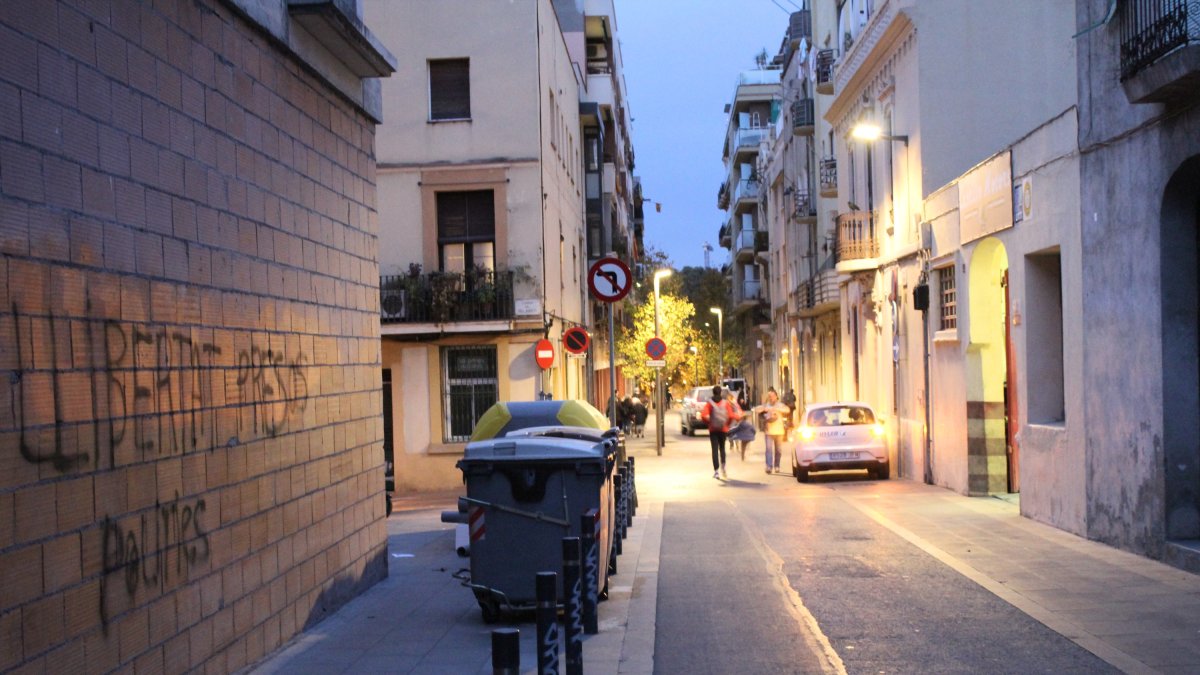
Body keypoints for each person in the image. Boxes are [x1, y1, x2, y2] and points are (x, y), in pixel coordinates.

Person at [700, 385, 740, 479]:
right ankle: (723, 467)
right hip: (723, 429)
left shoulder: (709, 403)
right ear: (720, 392)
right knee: (722, 448)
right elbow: (730, 416)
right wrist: (727, 425)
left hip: (713, 430)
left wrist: (708, 423)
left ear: (713, 393)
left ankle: (716, 471)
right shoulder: (725, 403)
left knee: (714, 450)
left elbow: (703, 415)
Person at [754, 389, 791, 474]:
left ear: (776, 396)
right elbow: (756, 409)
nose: (771, 398)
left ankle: (777, 466)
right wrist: (764, 409)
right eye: (769, 396)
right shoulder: (766, 406)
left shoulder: (780, 405)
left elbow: (787, 410)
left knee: (778, 450)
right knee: (768, 449)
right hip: (769, 431)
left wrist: (777, 409)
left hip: (779, 431)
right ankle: (769, 466)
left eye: (772, 396)